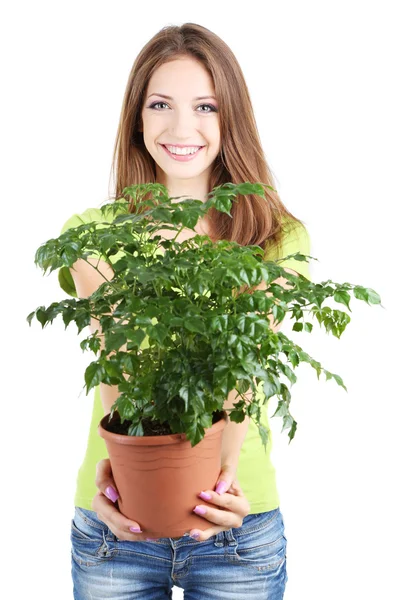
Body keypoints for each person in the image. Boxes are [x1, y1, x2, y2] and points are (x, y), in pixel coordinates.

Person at [59, 22, 311, 600]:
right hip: (116, 522)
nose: (181, 127)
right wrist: (127, 473)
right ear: (137, 118)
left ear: (231, 120)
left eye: (205, 106)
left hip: (237, 523)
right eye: (160, 104)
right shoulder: (90, 236)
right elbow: (116, 359)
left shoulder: (275, 237)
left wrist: (217, 481)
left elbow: (243, 367)